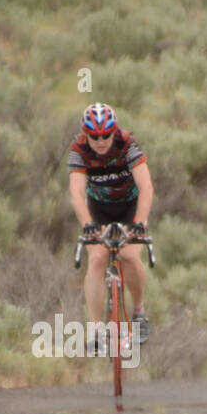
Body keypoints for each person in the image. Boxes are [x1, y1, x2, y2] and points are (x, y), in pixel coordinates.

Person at [68, 102, 153, 354]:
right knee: (96, 259)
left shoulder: (127, 145)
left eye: (106, 135)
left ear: (114, 131)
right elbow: (76, 193)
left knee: (128, 255)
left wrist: (139, 223)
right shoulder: (79, 150)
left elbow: (146, 187)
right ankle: (95, 330)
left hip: (131, 206)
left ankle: (138, 311)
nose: (101, 141)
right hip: (99, 208)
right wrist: (88, 226)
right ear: (86, 135)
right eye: (94, 136)